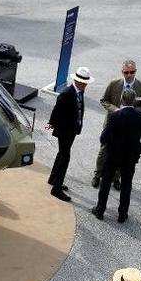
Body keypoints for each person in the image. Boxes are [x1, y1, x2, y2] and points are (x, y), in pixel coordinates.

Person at [91, 89, 141, 223]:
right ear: (134, 100)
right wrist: (137, 151)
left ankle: (100, 210)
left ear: (121, 100)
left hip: (112, 156)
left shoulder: (114, 116)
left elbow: (103, 138)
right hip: (130, 158)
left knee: (106, 183)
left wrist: (109, 147)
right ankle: (122, 214)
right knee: (126, 185)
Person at [92, 60, 141, 189]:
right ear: (122, 72)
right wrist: (116, 110)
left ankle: (116, 178)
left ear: (135, 71)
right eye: (126, 72)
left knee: (123, 151)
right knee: (104, 149)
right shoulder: (114, 84)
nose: (129, 75)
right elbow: (104, 100)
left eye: (132, 72)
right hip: (113, 122)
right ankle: (97, 174)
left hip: (129, 125)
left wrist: (132, 112)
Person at [46, 67, 94, 202]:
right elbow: (56, 112)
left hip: (71, 130)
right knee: (65, 158)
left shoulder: (79, 92)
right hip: (64, 131)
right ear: (77, 81)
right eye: (83, 83)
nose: (85, 85)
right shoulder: (67, 93)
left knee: (61, 155)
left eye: (86, 83)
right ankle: (56, 188)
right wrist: (50, 126)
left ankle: (54, 179)